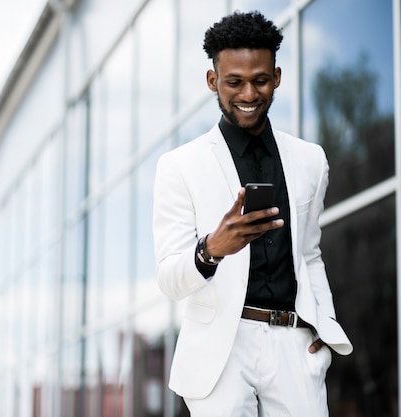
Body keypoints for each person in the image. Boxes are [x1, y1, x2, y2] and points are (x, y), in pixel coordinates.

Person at [152, 11, 353, 417]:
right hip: (220, 350)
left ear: (276, 77)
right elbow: (170, 278)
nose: (249, 93)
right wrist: (211, 249)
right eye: (234, 82)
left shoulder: (311, 161)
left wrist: (323, 323)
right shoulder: (179, 166)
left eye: (260, 80)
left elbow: (310, 254)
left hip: (293, 343)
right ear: (213, 82)